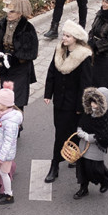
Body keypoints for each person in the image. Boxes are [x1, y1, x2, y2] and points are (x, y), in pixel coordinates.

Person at [43, 19, 93, 183]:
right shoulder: (59, 51)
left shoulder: (83, 56)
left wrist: (81, 106)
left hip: (73, 105)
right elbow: (52, 72)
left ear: (76, 39)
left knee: (70, 132)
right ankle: (66, 157)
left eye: (67, 36)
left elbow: (85, 84)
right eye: (64, 35)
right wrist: (48, 94)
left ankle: (55, 165)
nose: (63, 38)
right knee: (60, 131)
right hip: (59, 102)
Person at [0, 0, 38, 114]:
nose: (9, 14)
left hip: (20, 70)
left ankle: (16, 126)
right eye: (8, 11)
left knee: (17, 100)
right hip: (5, 69)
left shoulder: (28, 28)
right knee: (4, 98)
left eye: (12, 11)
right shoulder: (2, 24)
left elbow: (31, 53)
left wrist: (13, 59)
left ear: (20, 13)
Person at [74, 87, 108, 199]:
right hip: (83, 144)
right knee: (82, 166)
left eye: (96, 102)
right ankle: (83, 188)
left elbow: (104, 135)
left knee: (95, 168)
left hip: (95, 146)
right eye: (92, 101)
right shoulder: (88, 111)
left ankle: (105, 179)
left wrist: (88, 137)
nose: (92, 104)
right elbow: (82, 122)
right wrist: (80, 130)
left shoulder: (106, 117)